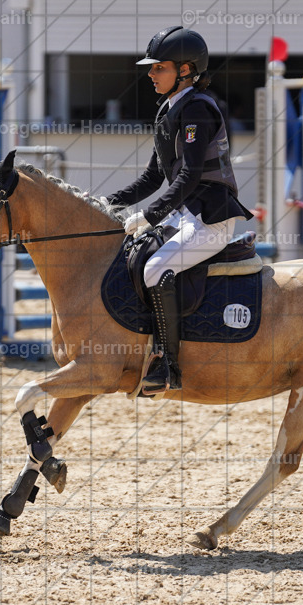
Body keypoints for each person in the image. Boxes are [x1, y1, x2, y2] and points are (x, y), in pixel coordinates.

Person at [105, 26, 253, 394]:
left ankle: (166, 365)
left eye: (159, 67)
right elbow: (153, 177)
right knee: (133, 258)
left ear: (185, 70)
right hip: (185, 216)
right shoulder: (168, 110)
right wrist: (108, 203)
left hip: (211, 218)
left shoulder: (198, 109)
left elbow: (188, 175)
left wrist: (149, 215)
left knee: (156, 268)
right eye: (151, 68)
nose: (151, 73)